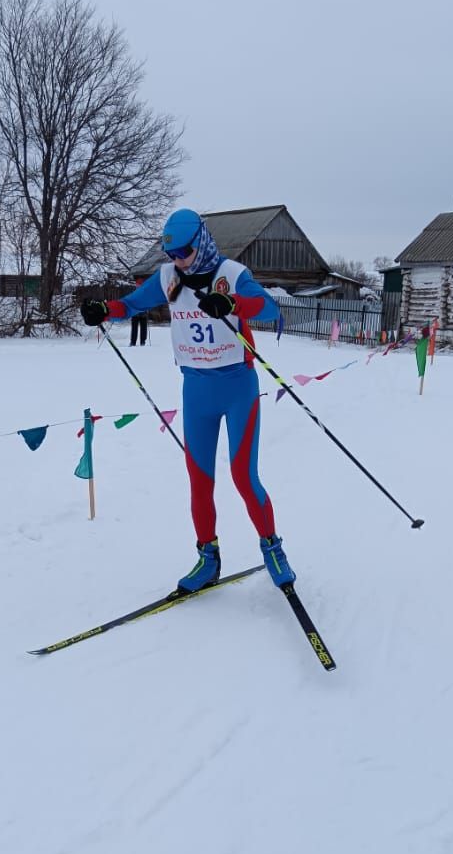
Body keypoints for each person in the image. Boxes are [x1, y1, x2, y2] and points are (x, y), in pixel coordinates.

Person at [80, 208, 295, 593]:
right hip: (195, 390)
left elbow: (270, 307)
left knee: (244, 477)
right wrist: (104, 310)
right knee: (200, 480)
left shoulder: (231, 274)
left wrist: (233, 305)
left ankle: (272, 548)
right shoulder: (168, 278)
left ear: (201, 242)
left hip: (237, 387)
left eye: (184, 253)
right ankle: (207, 558)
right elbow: (130, 305)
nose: (177, 261)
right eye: (172, 254)